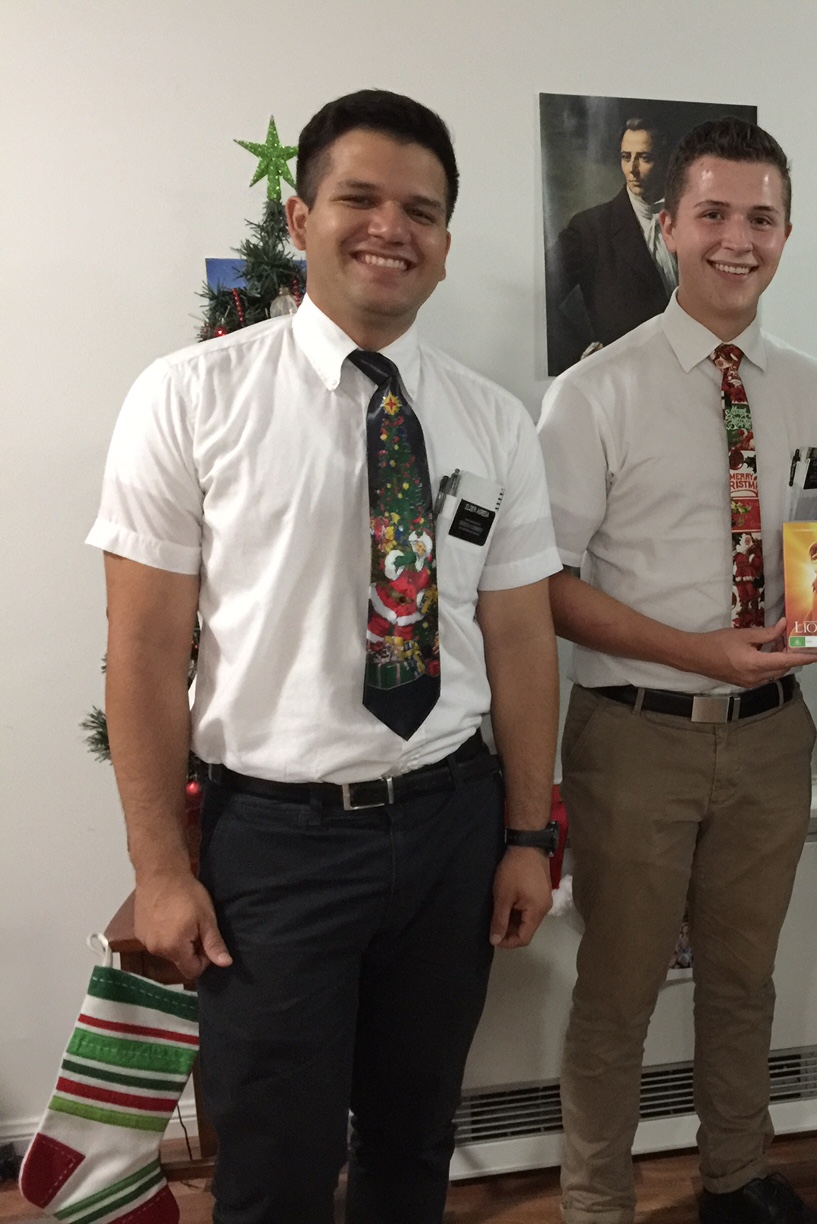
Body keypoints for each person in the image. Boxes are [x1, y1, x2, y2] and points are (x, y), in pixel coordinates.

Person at [86, 89, 563, 1224]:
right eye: (360, 199)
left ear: (445, 243)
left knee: (413, 1140)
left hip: (449, 825)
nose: (391, 228)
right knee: (275, 1166)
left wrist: (527, 835)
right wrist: (161, 869)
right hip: (276, 845)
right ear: (300, 219)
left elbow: (520, 640)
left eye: (421, 211)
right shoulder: (191, 397)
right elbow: (142, 654)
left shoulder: (494, 421)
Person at [539, 116, 817, 1224]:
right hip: (634, 736)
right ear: (669, 226)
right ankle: (596, 1204)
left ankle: (735, 1177)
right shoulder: (593, 392)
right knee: (617, 991)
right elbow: (547, 586)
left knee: (741, 980)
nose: (738, 239)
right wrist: (697, 652)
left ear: (786, 234)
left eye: (761, 218)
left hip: (772, 734)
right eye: (713, 214)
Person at [546, 116, 681, 373]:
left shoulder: (694, 222)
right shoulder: (590, 229)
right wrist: (581, 352)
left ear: (667, 162)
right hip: (623, 378)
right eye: (625, 157)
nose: (632, 169)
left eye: (644, 158)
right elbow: (538, 296)